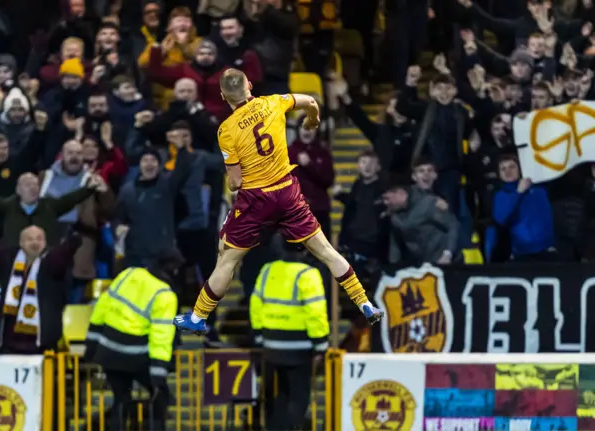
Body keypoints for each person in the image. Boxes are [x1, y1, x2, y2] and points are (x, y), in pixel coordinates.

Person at [174, 69, 383, 335]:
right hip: (287, 191)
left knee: (226, 259)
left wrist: (232, 181)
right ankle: (364, 303)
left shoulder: (226, 130)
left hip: (256, 199)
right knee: (326, 251)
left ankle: (199, 316)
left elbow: (236, 182)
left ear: (223, 95)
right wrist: (312, 121)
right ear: (250, 85)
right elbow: (310, 102)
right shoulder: (273, 102)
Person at [84, 259, 180, 431]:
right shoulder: (165, 295)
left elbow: (102, 306)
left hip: (109, 353)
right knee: (162, 398)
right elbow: (161, 336)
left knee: (121, 399)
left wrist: (91, 345)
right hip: (135, 357)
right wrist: (159, 372)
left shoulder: (129, 274)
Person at [249, 241, 328, 430]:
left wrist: (259, 336)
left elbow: (256, 304)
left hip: (271, 345)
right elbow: (315, 312)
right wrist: (321, 343)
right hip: (299, 348)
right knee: (298, 395)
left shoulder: (268, 270)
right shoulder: (308, 275)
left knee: (278, 396)